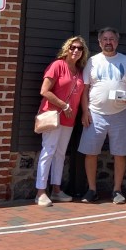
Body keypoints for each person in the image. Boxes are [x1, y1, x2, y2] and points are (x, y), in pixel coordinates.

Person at [79, 27, 126, 204]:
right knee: (90, 152)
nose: (108, 42)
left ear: (117, 42)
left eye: (111, 39)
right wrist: (85, 111)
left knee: (120, 153)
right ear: (99, 42)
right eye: (105, 39)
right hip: (95, 114)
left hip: (121, 114)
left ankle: (117, 190)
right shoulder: (92, 61)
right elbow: (84, 89)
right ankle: (92, 190)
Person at [34, 36, 89, 206]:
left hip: (69, 118)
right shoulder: (57, 65)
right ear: (67, 48)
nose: (76, 51)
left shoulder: (79, 71)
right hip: (53, 115)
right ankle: (40, 192)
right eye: (73, 47)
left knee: (60, 153)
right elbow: (44, 90)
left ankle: (56, 190)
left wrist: (84, 112)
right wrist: (63, 105)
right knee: (48, 150)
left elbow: (82, 95)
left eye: (79, 48)